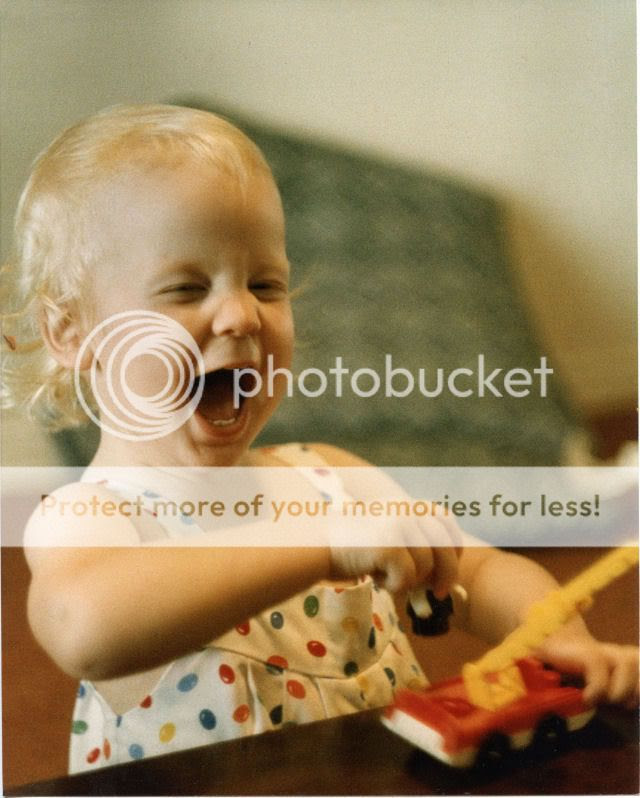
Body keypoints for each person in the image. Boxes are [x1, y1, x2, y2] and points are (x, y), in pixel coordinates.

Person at [2, 105, 637, 773]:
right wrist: (322, 542)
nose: (242, 313)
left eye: (266, 285)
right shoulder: (90, 518)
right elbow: (83, 626)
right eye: (186, 288)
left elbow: (480, 570)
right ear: (72, 332)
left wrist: (557, 636)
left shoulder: (327, 476)